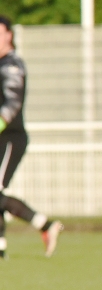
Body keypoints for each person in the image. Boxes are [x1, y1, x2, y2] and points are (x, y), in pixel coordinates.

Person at [0, 17, 63, 259]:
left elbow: (12, 103)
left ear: (9, 35)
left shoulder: (12, 65)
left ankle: (44, 224)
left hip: (10, 138)